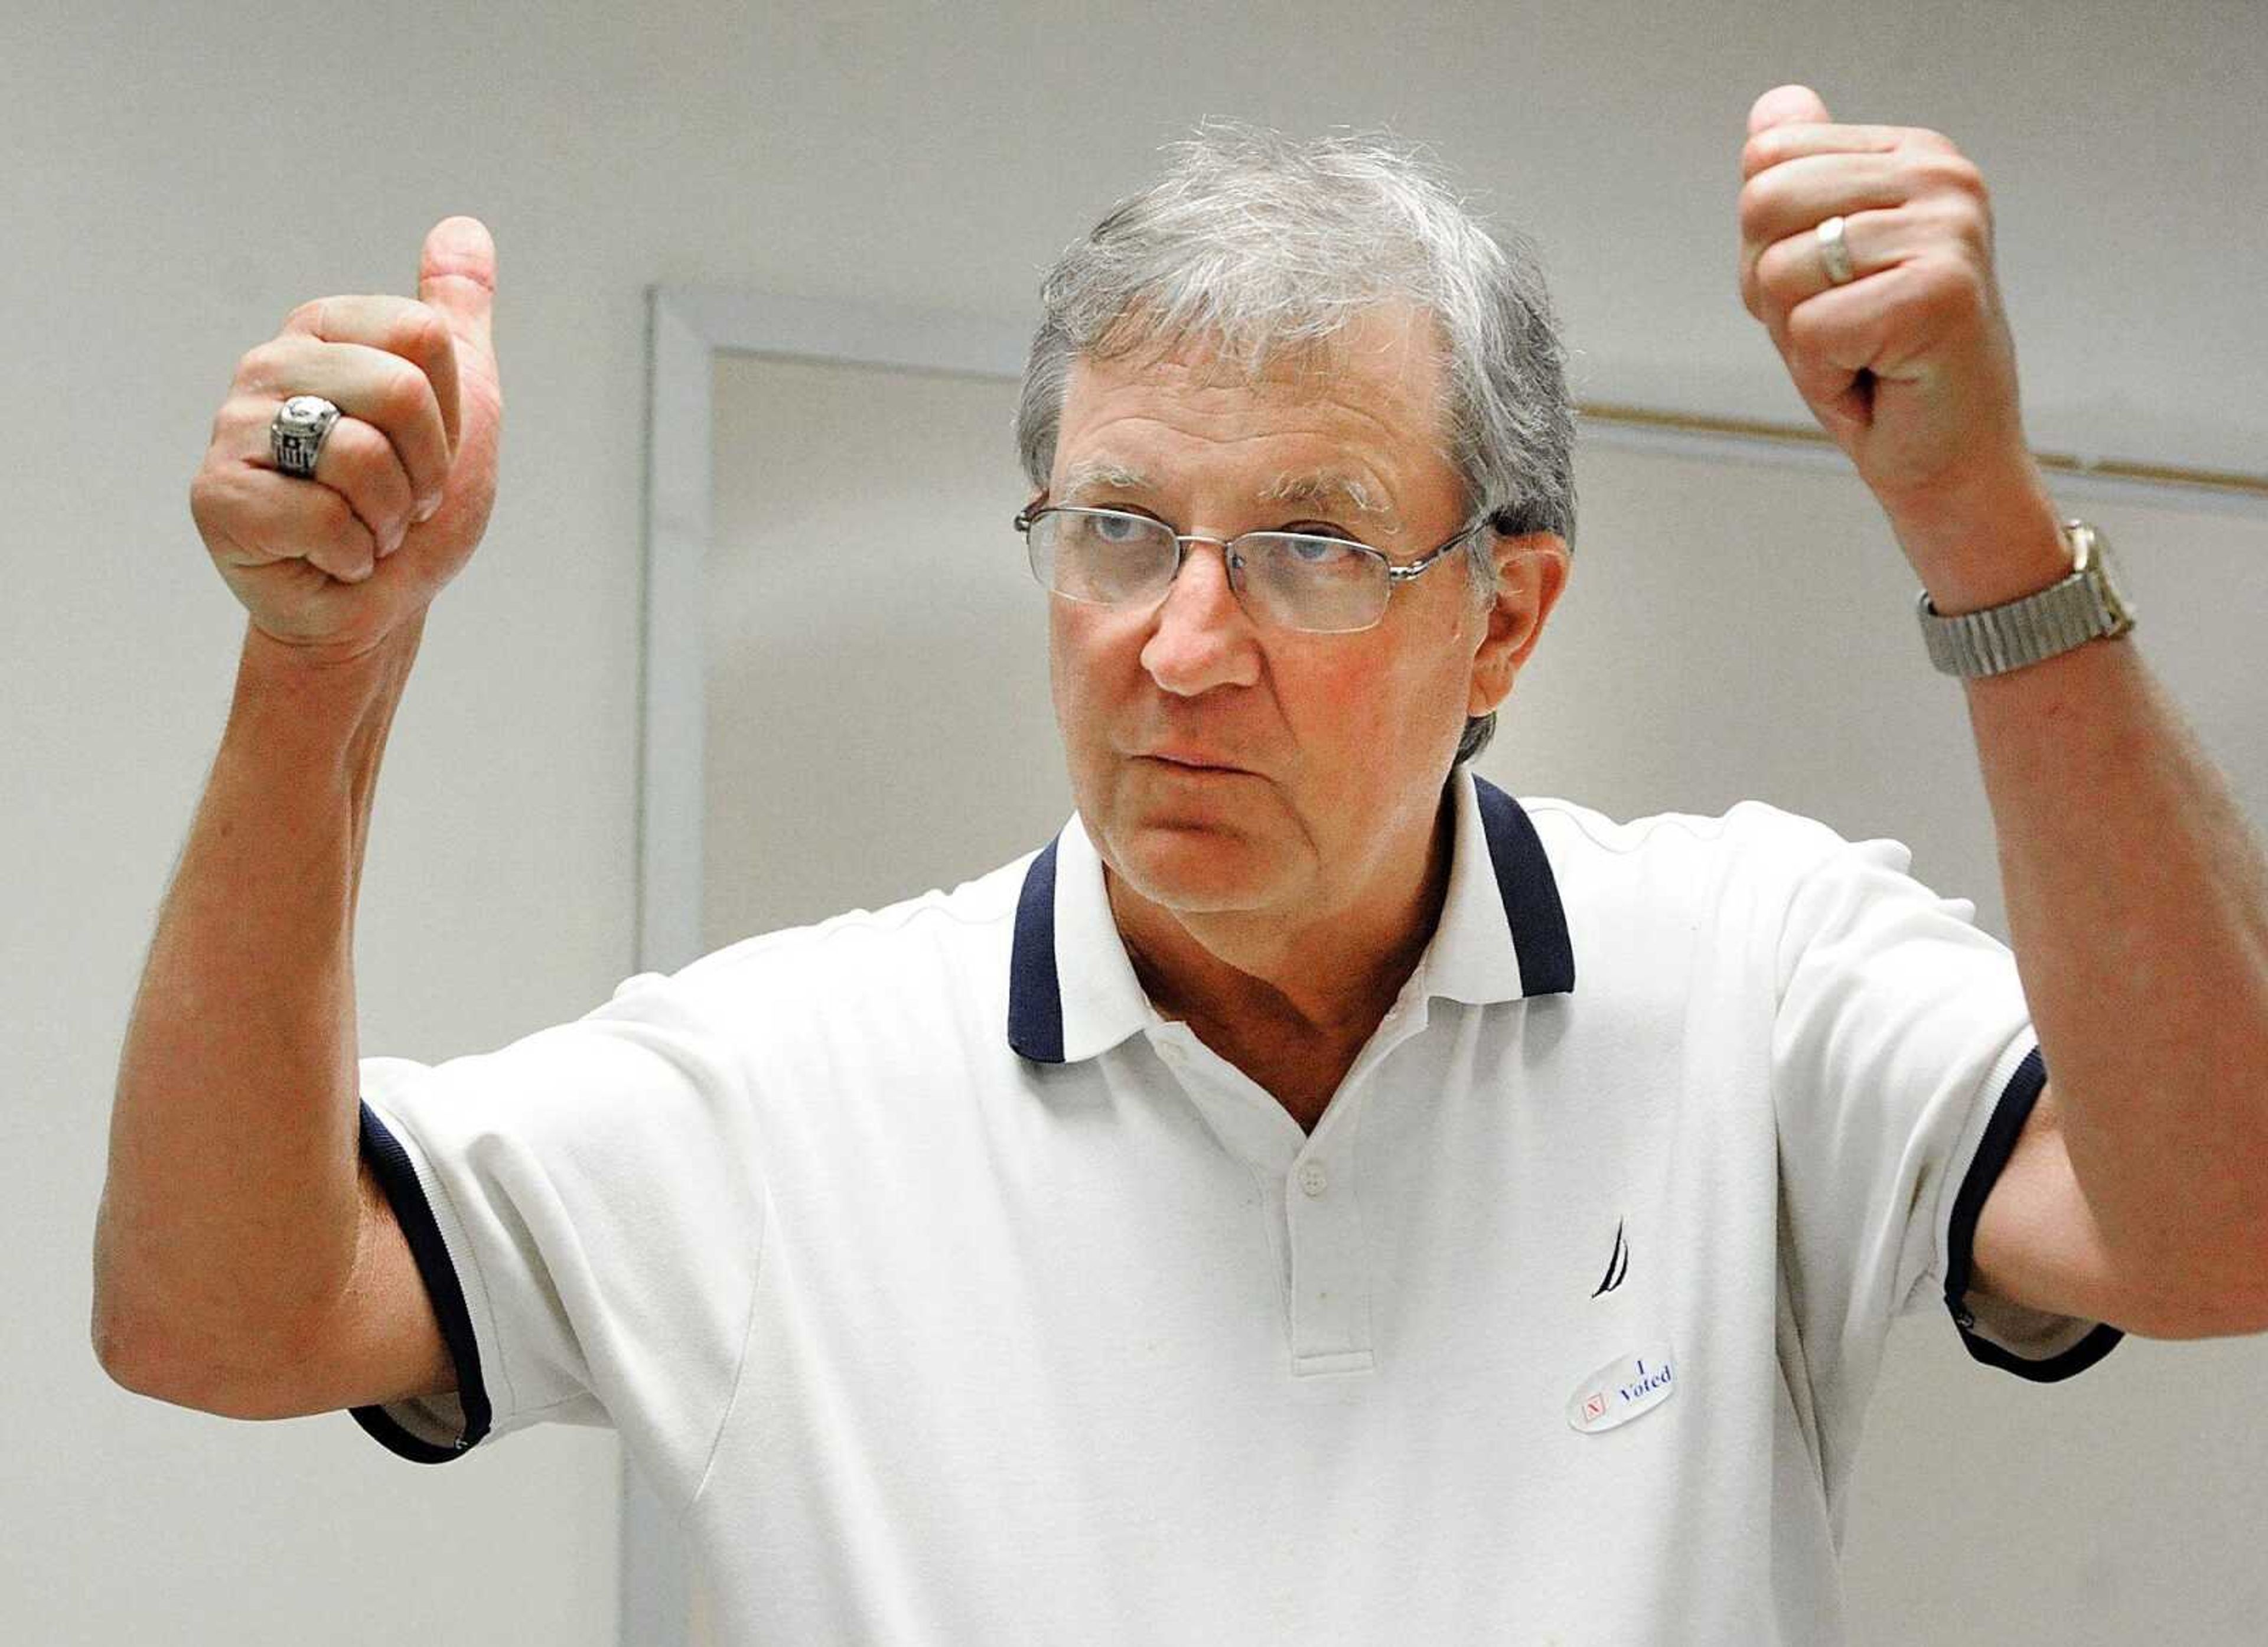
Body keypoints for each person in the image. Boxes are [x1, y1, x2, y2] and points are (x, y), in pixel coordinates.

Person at [96, 84, 2268, 1643]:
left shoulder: (1751, 978)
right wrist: (324, 661)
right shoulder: (785, 1082)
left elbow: (2216, 1228)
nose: (1183, 646)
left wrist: (1982, 523)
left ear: (1502, 612)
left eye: (1312, 547)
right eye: (1118, 531)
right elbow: (216, 1318)